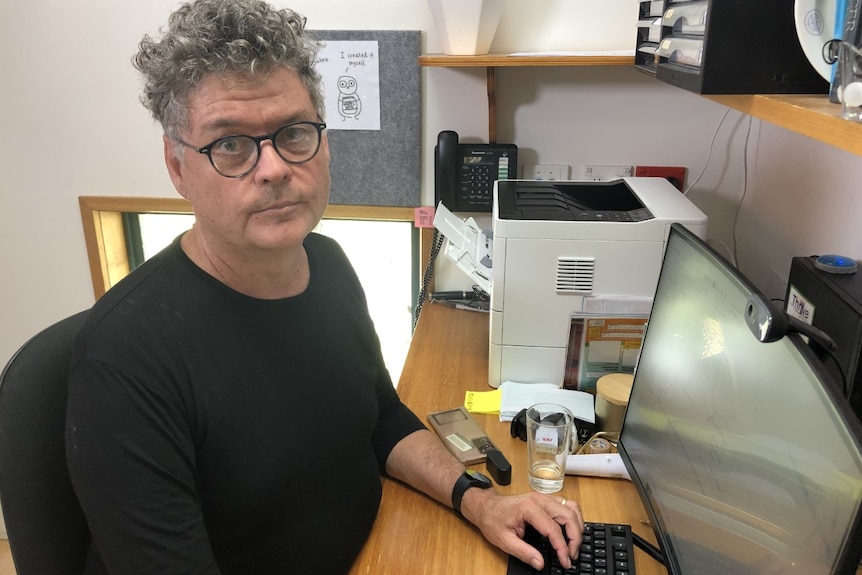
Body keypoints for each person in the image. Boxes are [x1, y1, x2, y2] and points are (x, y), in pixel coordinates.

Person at [64, 1, 584, 573]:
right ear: (177, 166)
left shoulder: (328, 264)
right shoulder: (126, 360)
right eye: (230, 144)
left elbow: (381, 418)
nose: (274, 168)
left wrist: (480, 502)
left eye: (293, 133)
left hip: (378, 549)